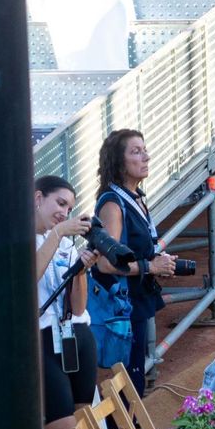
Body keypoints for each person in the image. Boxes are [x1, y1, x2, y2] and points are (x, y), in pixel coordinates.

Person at [35, 176, 100, 429]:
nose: (64, 212)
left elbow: (78, 307)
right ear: (38, 198)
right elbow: (25, 280)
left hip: (75, 336)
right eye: (60, 204)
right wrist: (60, 232)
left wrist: (81, 270)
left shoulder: (63, 243)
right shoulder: (28, 238)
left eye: (70, 208)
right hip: (40, 341)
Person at [92, 130, 182, 396]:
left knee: (135, 378)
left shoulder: (136, 197)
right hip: (122, 306)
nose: (146, 157)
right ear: (119, 161)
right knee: (128, 384)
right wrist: (150, 267)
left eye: (144, 150)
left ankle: (127, 422)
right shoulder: (112, 203)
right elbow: (106, 264)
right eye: (136, 152)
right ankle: (118, 425)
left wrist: (158, 262)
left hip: (136, 300)